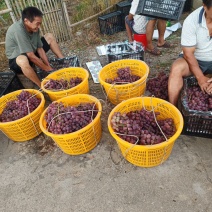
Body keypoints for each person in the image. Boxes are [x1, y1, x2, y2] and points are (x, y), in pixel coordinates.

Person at [5, 6, 64, 88]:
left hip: (30, 52)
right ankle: (41, 86)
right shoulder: (18, 30)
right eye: (37, 23)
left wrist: (48, 67)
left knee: (49, 37)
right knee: (23, 60)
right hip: (17, 59)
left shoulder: (35, 28)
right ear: (26, 21)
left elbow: (40, 49)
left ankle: (65, 64)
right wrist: (47, 69)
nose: (39, 26)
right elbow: (30, 56)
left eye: (40, 23)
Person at [168, 0, 212, 106]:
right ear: (205, 7)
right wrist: (200, 77)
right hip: (196, 60)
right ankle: (173, 110)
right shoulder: (192, 21)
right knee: (177, 69)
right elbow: (188, 54)